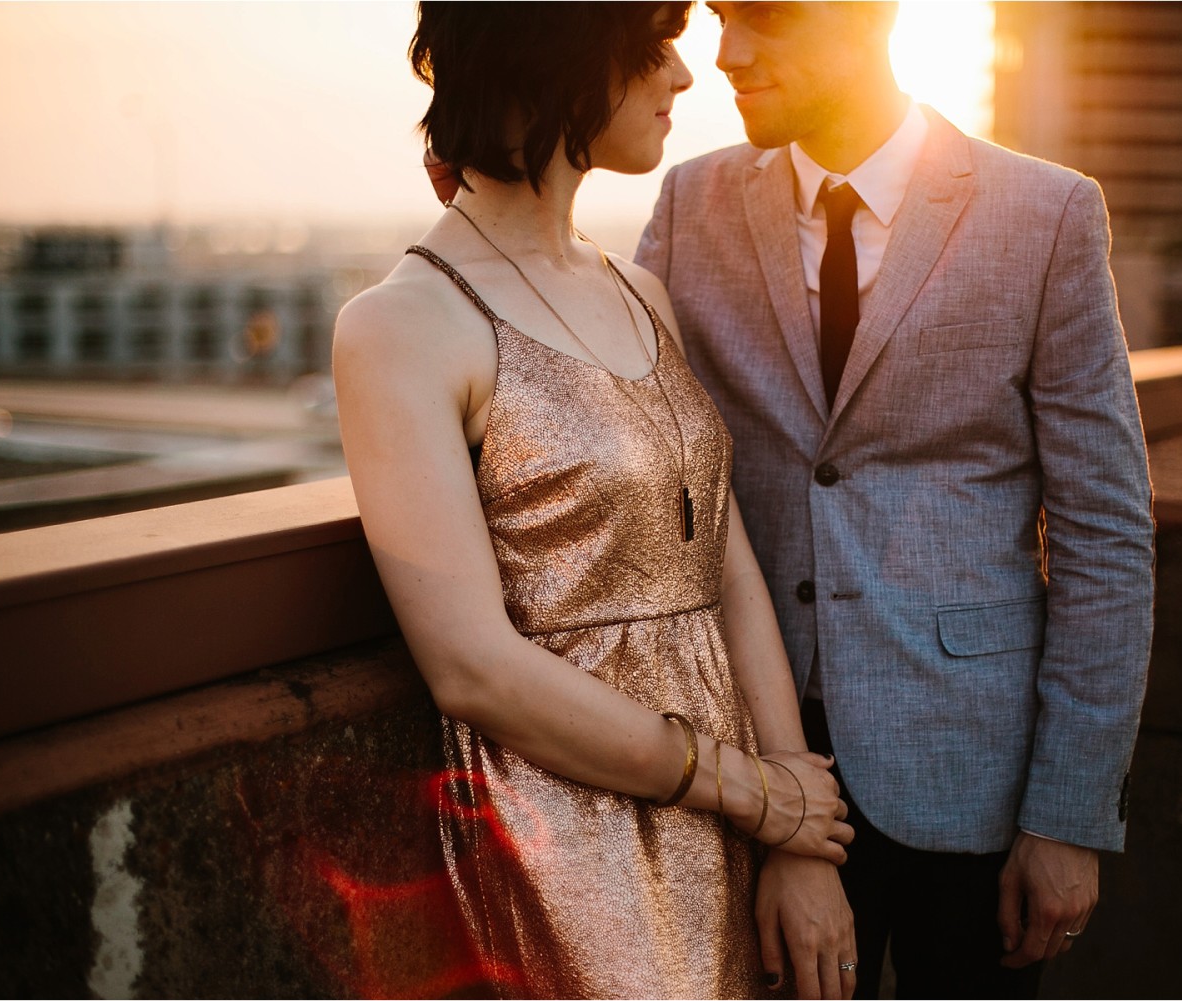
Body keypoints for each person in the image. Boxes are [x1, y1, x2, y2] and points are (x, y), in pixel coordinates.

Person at [333, 3, 857, 998]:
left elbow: (728, 571)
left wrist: (799, 832)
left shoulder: (640, 291)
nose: (686, 77)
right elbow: (472, 667)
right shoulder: (402, 324)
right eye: (653, 48)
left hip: (742, 820)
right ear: (560, 57)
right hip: (578, 844)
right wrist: (754, 792)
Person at [636, 3, 1156, 997]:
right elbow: (652, 460)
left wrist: (1068, 815)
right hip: (757, 763)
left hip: (975, 775)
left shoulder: (1044, 213)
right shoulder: (689, 203)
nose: (726, 54)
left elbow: (1105, 531)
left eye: (763, 20)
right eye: (717, 17)